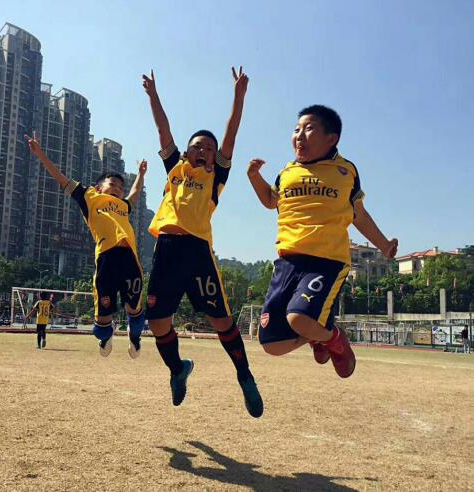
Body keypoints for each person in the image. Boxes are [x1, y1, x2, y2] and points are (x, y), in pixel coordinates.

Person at [141, 67, 263, 418]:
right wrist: (153, 95)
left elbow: (230, 134)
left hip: (197, 253)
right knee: (158, 323)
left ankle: (245, 376)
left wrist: (238, 96)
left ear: (215, 157)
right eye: (197, 146)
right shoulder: (176, 169)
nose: (204, 151)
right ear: (187, 152)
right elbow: (163, 129)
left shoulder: (215, 177)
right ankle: (177, 369)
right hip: (166, 251)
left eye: (209, 149)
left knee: (222, 321)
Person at [247, 104, 398, 378]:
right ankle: (318, 334)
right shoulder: (287, 173)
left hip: (326, 261)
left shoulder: (345, 171)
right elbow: (270, 200)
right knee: (271, 343)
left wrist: (384, 245)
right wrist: (254, 177)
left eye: (309, 128)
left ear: (331, 138)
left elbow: (359, 215)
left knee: (298, 318)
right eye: (296, 129)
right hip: (287, 262)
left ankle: (335, 339)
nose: (299, 135)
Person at [26, 133, 147, 359]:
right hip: (106, 260)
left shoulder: (124, 206)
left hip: (129, 258)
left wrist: (140, 175)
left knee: (135, 309)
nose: (118, 188)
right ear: (99, 187)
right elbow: (62, 179)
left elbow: (135, 194)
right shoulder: (89, 197)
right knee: (102, 321)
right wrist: (40, 153)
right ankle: (106, 334)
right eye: (113, 184)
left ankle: (134, 335)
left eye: (121, 187)